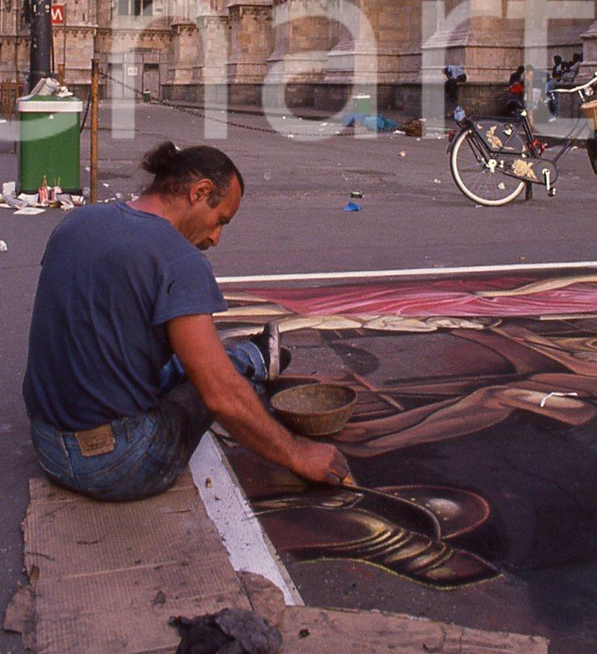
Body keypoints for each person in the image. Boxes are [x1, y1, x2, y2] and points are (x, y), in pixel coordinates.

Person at [23, 140, 353, 503]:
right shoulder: (179, 259)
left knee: (177, 359)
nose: (215, 237)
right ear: (200, 192)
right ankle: (249, 361)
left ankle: (253, 357)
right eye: (220, 221)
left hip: (47, 445)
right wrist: (299, 454)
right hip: (118, 465)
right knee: (209, 384)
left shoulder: (78, 221)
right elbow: (220, 395)